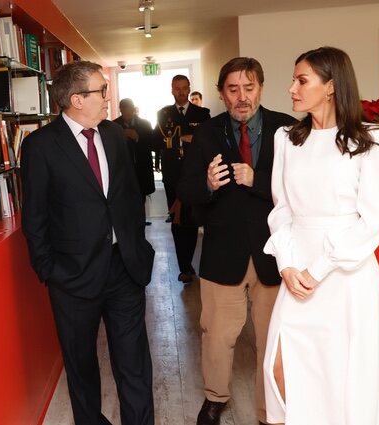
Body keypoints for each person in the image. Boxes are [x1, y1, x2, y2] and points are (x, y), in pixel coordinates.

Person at [262, 46, 379, 425]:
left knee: (345, 381)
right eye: (293, 80)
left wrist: (317, 269)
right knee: (280, 369)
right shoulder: (287, 137)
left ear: (332, 86)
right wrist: (287, 265)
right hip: (296, 272)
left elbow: (372, 221)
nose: (291, 88)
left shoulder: (372, 139)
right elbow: (282, 208)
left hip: (346, 278)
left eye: (302, 80)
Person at [21, 60, 156, 425]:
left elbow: (126, 197)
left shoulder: (112, 135)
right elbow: (34, 218)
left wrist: (136, 246)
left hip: (123, 267)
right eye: (101, 91)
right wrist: (50, 270)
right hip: (72, 277)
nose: (108, 99)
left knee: (134, 364)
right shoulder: (40, 146)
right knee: (81, 368)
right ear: (77, 99)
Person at [176, 57, 297, 425]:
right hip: (222, 251)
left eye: (249, 88)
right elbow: (186, 188)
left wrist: (256, 180)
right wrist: (209, 185)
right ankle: (215, 398)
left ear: (261, 87)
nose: (242, 97)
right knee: (216, 334)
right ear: (221, 93)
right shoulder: (207, 132)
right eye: (233, 90)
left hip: (274, 254)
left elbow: (301, 191)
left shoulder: (288, 130)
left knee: (272, 339)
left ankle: (269, 410)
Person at [154, 75, 210, 282]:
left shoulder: (202, 113)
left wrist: (188, 139)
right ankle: (184, 267)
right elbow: (157, 139)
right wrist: (182, 138)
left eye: (184, 88)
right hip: (173, 175)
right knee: (178, 220)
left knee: (192, 218)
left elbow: (206, 140)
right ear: (172, 89)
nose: (180, 92)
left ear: (189, 89)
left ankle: (190, 263)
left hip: (195, 174)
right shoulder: (164, 113)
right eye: (177, 88)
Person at [113, 98, 156, 225]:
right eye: (124, 109)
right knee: (124, 202)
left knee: (140, 199)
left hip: (141, 171)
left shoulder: (145, 124)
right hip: (122, 173)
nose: (127, 112)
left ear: (133, 109)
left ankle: (141, 226)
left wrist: (137, 137)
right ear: (120, 110)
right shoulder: (113, 126)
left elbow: (152, 144)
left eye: (129, 109)